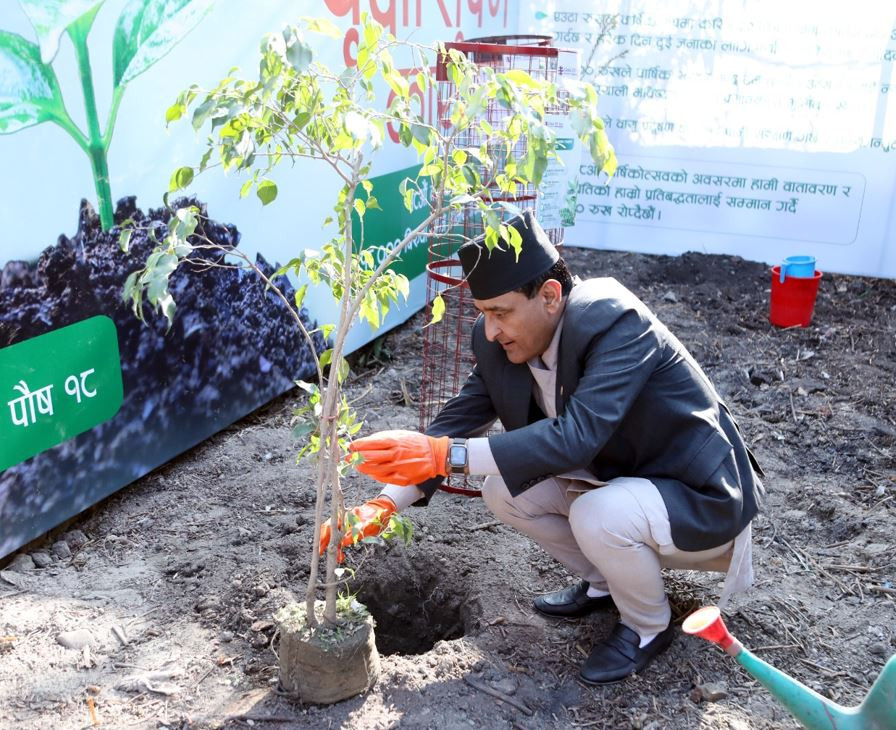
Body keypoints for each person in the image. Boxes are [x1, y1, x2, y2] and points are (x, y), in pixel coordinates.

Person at [324, 211, 765, 685]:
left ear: (550, 296)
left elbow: (578, 436)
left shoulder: (616, 321)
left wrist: (446, 456)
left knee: (597, 514)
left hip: (700, 498)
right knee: (503, 490)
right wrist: (385, 502)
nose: (490, 330)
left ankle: (647, 625)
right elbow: (449, 429)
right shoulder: (501, 343)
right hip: (621, 482)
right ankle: (605, 585)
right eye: (483, 313)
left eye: (500, 312)